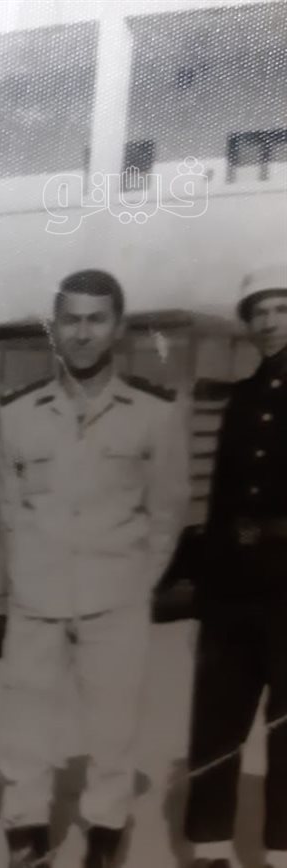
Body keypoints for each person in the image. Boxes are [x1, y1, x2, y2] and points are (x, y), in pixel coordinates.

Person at [0, 269, 190, 868]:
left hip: (117, 596)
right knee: (25, 728)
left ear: (118, 328)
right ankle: (26, 837)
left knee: (113, 730)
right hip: (38, 597)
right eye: (71, 320)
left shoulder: (154, 413)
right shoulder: (18, 414)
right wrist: (27, 576)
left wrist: (134, 583)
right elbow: (7, 509)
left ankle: (103, 839)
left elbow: (167, 513)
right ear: (54, 328)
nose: (82, 333)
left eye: (96, 320)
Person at [184, 262, 287, 868]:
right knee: (216, 720)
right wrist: (205, 597)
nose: (269, 322)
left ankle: (281, 850)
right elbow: (221, 500)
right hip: (232, 589)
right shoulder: (243, 397)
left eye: (281, 309)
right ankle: (211, 845)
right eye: (259, 312)